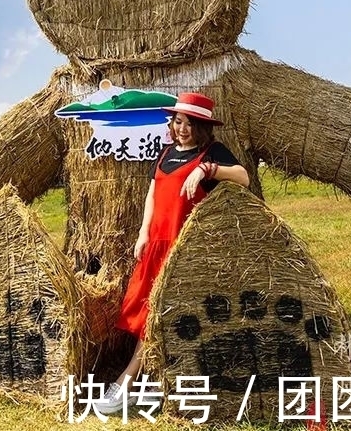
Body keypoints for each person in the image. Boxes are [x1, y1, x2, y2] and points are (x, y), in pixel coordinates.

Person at [95, 92, 250, 414]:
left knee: (160, 315)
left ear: (202, 127)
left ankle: (126, 382)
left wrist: (206, 170)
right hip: (156, 244)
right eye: (178, 121)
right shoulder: (166, 153)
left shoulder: (212, 152)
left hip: (184, 250)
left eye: (189, 124)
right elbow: (153, 196)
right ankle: (152, 384)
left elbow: (243, 177)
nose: (181, 128)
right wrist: (142, 234)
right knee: (145, 314)